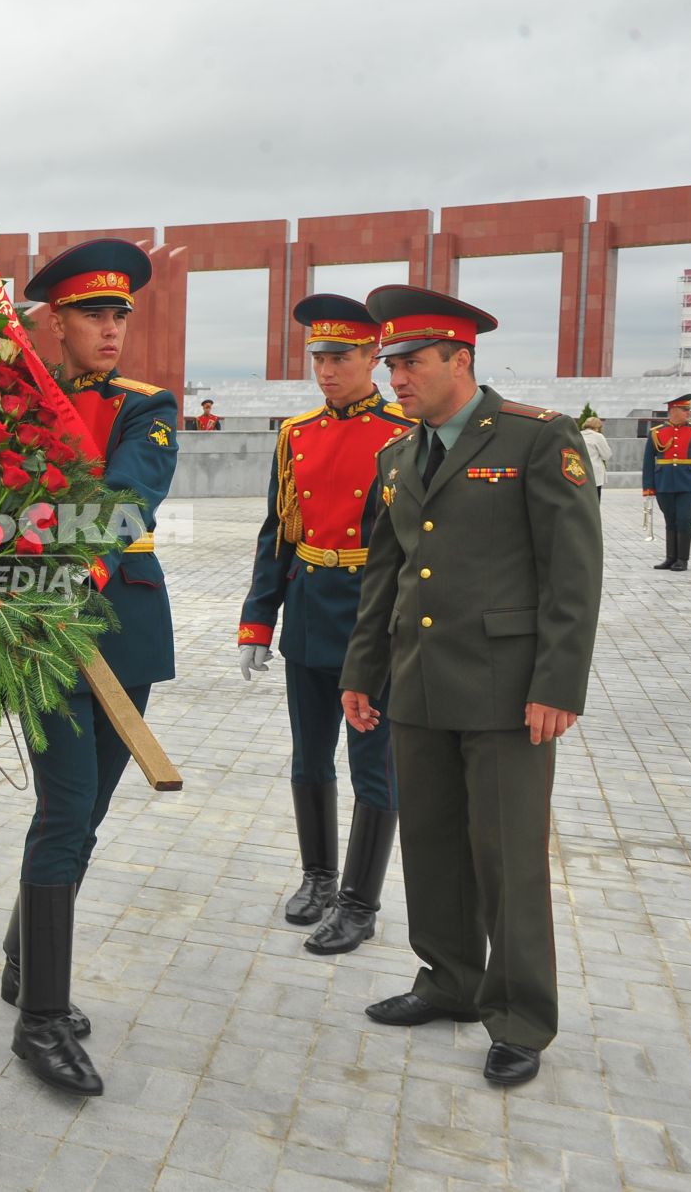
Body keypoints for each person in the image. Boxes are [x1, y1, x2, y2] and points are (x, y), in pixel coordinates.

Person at [340, 285, 602, 1087]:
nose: (397, 380)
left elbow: (573, 573)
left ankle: (520, 1014)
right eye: (390, 365)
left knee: (506, 856)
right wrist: (362, 671)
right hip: (420, 685)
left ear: (462, 358)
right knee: (432, 843)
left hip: (507, 691)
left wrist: (558, 684)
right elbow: (381, 579)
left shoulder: (535, 438)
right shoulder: (396, 455)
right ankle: (450, 980)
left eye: (412, 363)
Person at [0, 239, 178, 1096]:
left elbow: (129, 494)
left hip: (121, 622)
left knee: (89, 807)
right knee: (65, 805)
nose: (110, 330)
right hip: (41, 627)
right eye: (93, 316)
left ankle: (23, 959)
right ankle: (40, 1020)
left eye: (119, 316)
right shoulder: (11, 406)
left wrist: (74, 563)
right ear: (56, 323)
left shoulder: (147, 406)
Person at [238, 295, 411, 955]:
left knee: (374, 764)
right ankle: (318, 876)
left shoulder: (403, 432)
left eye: (341, 357)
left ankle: (360, 902)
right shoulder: (297, 433)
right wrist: (258, 620)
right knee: (310, 756)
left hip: (375, 613)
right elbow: (276, 532)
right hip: (310, 610)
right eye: (319, 357)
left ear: (373, 356)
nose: (327, 370)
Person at [642, 394, 691, 571]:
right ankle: (670, 558)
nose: (689, 413)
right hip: (663, 482)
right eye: (685, 410)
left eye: (689, 410)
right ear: (673, 411)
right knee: (670, 520)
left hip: (687, 482)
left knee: (684, 519)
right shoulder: (657, 432)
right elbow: (648, 461)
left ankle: (682, 559)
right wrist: (648, 487)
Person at [578, 415, 612, 499]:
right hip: (594, 473)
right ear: (597, 426)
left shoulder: (578, 435)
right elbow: (606, 455)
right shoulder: (598, 436)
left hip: (579, 471)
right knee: (595, 499)